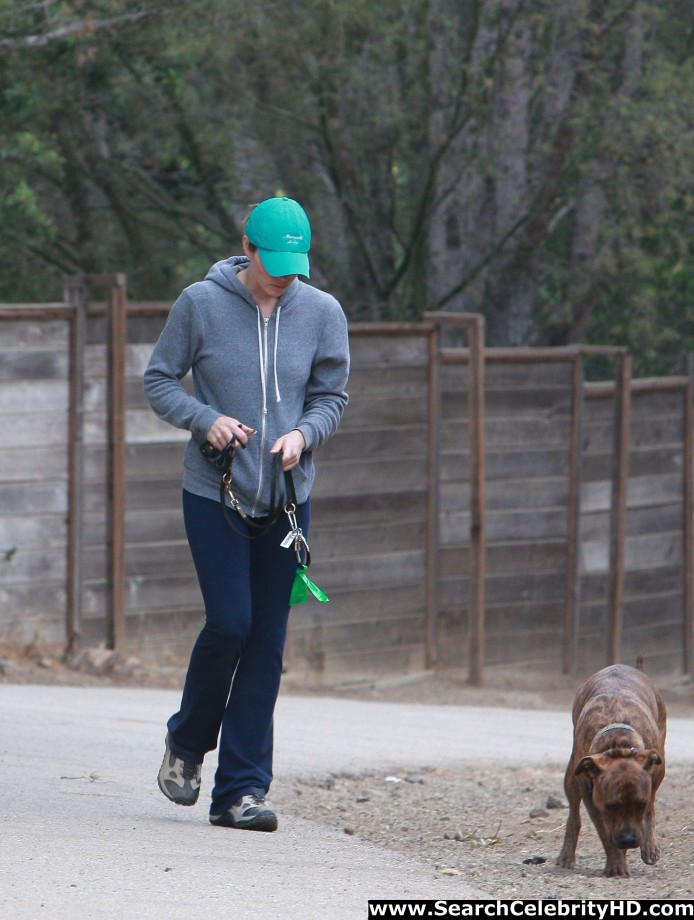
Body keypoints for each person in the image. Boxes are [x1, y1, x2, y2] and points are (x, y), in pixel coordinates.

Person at [143, 196, 350, 831]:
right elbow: (158, 380)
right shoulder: (199, 304)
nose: (284, 275)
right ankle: (186, 740)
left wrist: (305, 435)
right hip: (215, 493)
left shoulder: (321, 312)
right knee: (231, 624)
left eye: (296, 264)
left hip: (287, 502)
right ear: (247, 247)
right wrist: (206, 420)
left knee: (267, 643)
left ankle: (240, 792)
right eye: (274, 262)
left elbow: (331, 395)